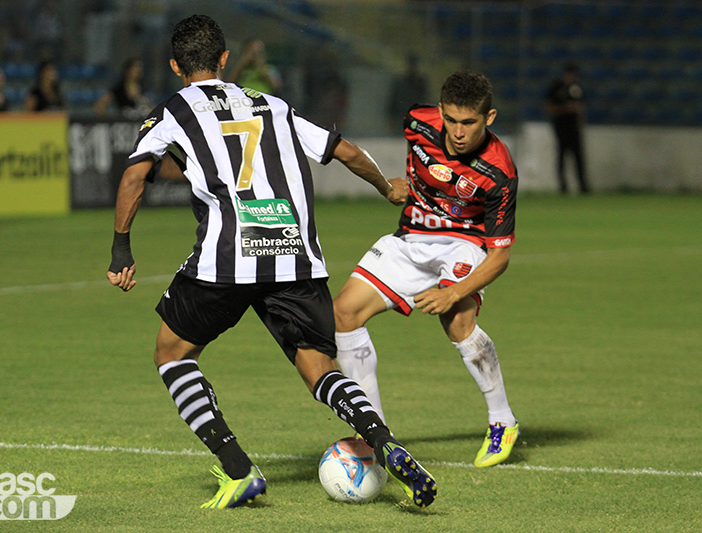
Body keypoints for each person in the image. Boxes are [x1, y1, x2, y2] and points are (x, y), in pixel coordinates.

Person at [106, 14, 437, 509]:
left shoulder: (172, 111)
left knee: (171, 354)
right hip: (295, 255)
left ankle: (238, 468)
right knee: (320, 370)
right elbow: (344, 150)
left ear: (175, 66)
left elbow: (135, 177)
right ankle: (383, 440)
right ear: (224, 58)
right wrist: (386, 186)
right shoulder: (273, 104)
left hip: (228, 257)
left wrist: (121, 248)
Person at [333, 71, 520, 469]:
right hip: (411, 237)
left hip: (465, 243)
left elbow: (499, 257)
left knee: (457, 320)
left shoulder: (499, 172)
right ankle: (376, 435)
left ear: (489, 118)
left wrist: (454, 291)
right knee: (344, 314)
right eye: (450, 119)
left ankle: (502, 420)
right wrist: (394, 185)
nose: (458, 132)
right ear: (439, 111)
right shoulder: (417, 122)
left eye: (468, 122)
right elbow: (415, 167)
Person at [545, 63, 590, 194]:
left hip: (574, 127)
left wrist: (580, 120)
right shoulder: (557, 87)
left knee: (578, 157)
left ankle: (583, 186)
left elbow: (581, 107)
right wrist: (566, 108)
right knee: (562, 156)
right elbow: (549, 107)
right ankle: (563, 186)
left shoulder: (577, 87)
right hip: (561, 126)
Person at [387, 54, 429, 130]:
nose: (412, 67)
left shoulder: (420, 82)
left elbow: (425, 100)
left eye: (414, 65)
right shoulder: (400, 82)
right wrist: (392, 119)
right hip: (401, 118)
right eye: (411, 64)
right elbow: (393, 101)